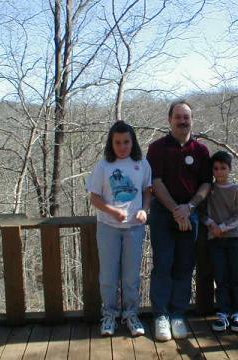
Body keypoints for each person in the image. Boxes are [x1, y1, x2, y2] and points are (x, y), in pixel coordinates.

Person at [147, 100, 212, 341]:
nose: (182, 121)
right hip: (164, 214)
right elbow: (156, 182)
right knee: (163, 264)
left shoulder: (201, 151)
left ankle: (177, 315)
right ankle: (161, 316)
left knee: (185, 266)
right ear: (169, 120)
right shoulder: (157, 148)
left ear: (191, 120)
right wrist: (176, 209)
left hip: (190, 214)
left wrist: (190, 207)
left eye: (186, 117)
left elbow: (206, 183)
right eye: (178, 117)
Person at [86, 120, 152, 337]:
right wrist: (112, 211)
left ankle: (131, 314)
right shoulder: (104, 166)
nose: (123, 146)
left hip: (135, 228)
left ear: (133, 142)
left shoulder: (142, 163)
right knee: (108, 275)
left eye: (126, 142)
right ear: (111, 143)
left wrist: (144, 209)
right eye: (118, 142)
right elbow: (94, 198)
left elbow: (147, 191)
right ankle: (109, 315)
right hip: (108, 227)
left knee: (131, 275)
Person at [201, 150, 238, 332]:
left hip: (235, 237)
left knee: (237, 276)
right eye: (216, 168)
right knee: (220, 277)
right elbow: (202, 212)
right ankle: (223, 311)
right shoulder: (209, 190)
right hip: (215, 238)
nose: (219, 172)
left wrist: (224, 227)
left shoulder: (235, 190)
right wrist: (213, 225)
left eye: (223, 168)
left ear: (229, 169)